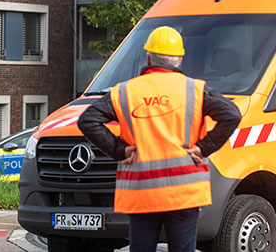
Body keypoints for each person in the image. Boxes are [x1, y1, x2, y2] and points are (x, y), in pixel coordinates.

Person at [78, 26, 242, 252]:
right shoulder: (195, 90)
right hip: (184, 193)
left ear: (148, 58)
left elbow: (88, 120)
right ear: (179, 60)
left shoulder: (126, 91)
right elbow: (231, 115)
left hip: (142, 192)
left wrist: (118, 150)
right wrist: (204, 147)